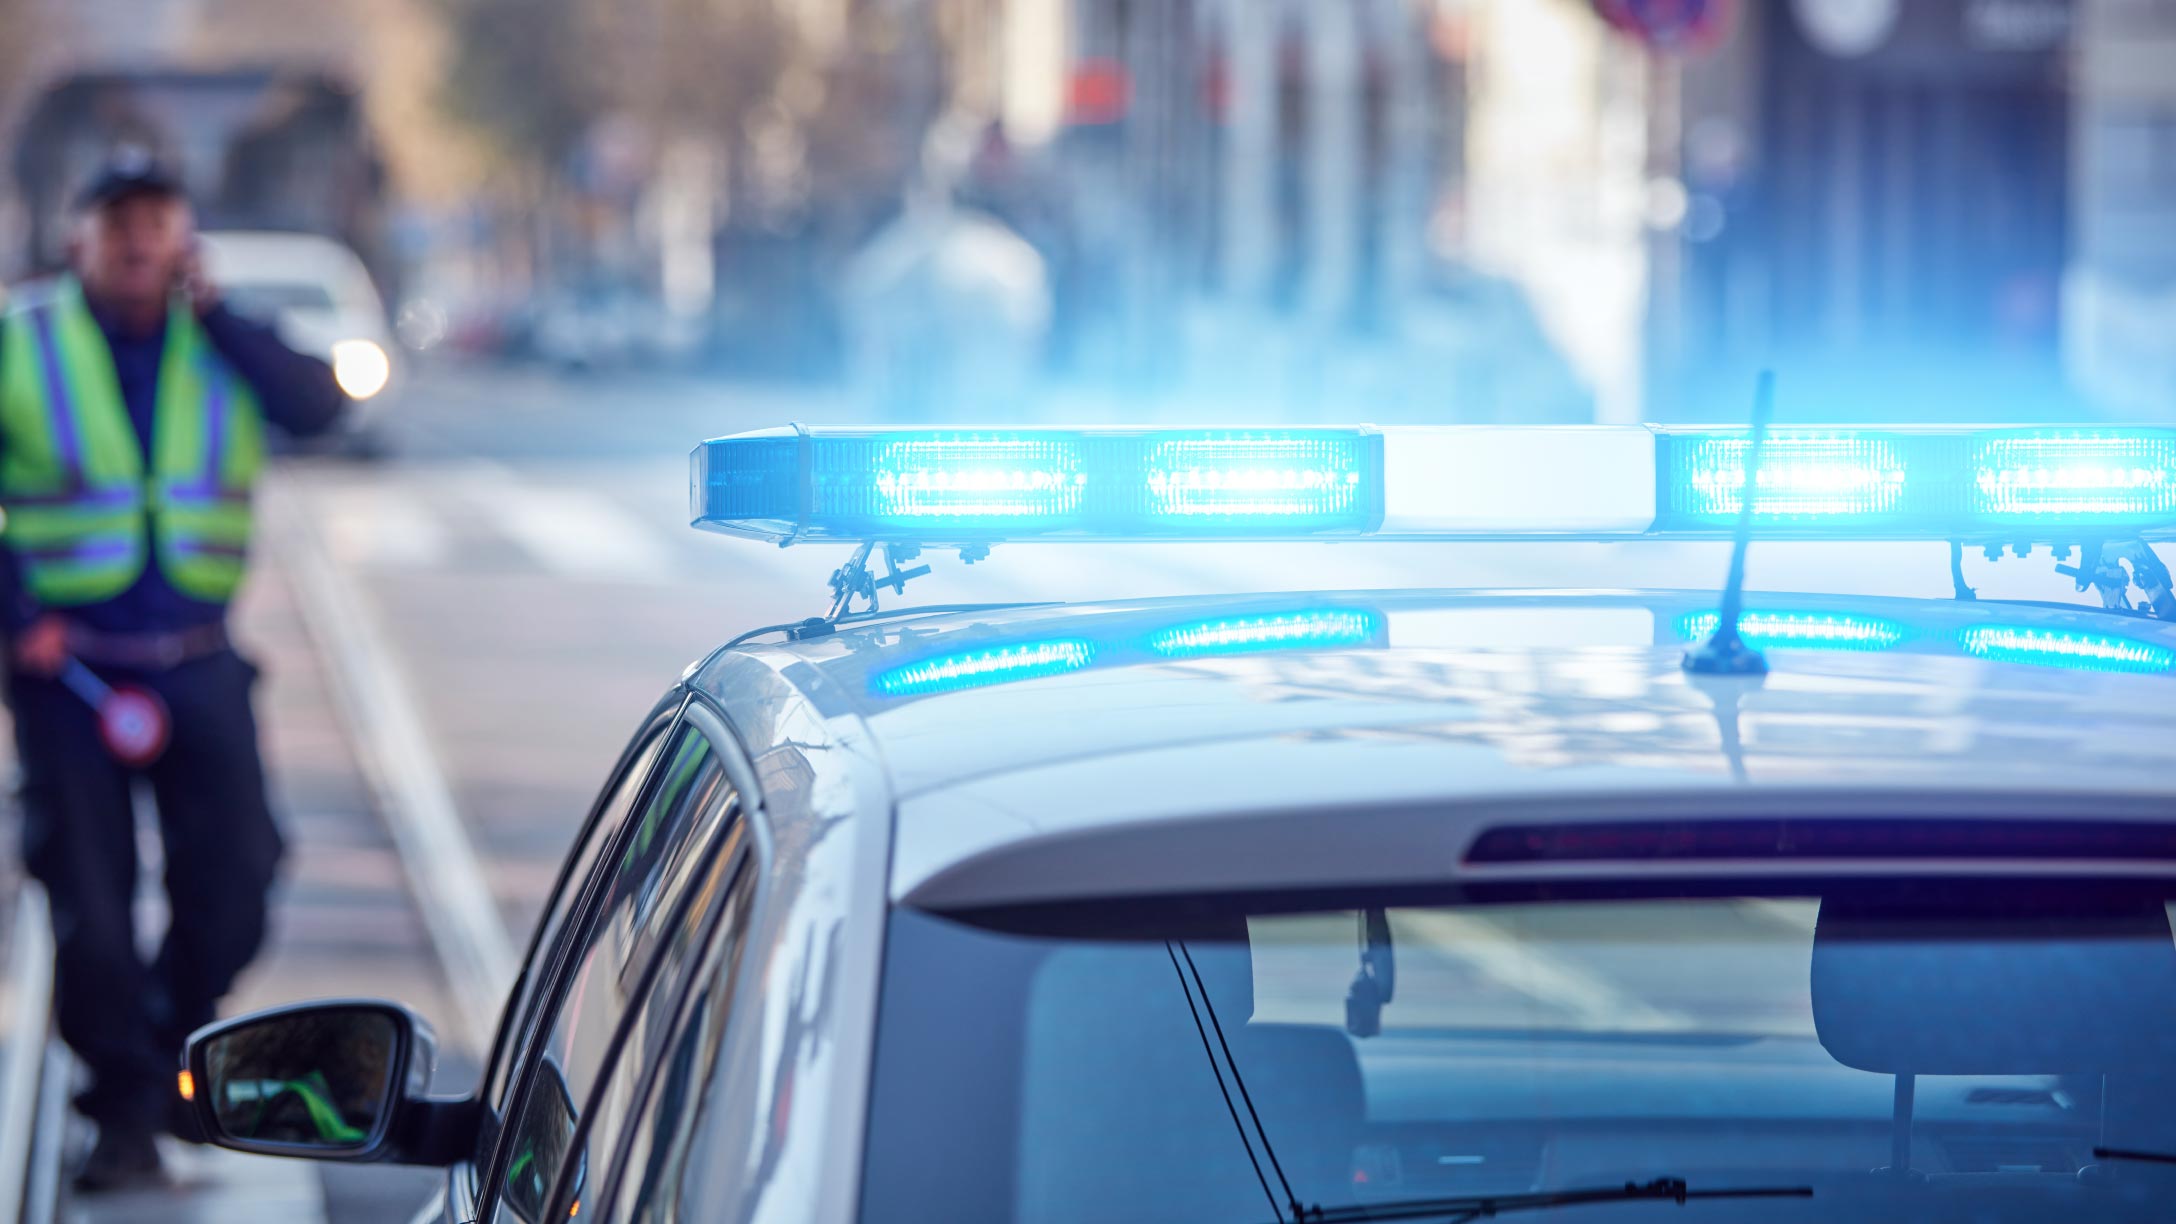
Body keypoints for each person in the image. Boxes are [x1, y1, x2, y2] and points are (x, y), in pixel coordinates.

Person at [0, 149, 347, 1190]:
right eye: (118, 222)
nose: (139, 238)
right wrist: (18, 614)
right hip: (72, 675)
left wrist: (227, 318)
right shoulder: (23, 343)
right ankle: (124, 1113)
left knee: (238, 884)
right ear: (81, 242)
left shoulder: (226, 339)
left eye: (157, 218)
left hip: (197, 664)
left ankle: (164, 1054)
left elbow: (323, 408)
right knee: (91, 911)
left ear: (185, 236)